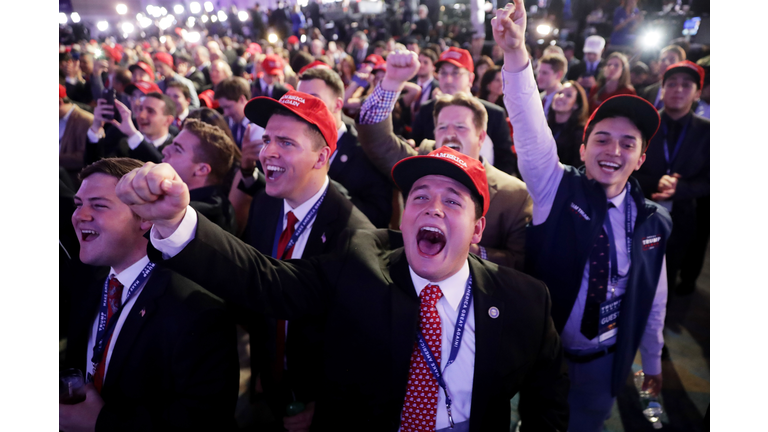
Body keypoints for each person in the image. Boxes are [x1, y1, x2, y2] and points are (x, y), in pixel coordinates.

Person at [116, 138, 569, 432]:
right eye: (420, 197)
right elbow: (266, 281)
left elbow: (547, 400)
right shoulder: (361, 261)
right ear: (404, 214)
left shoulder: (523, 301)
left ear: (477, 230)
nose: (433, 208)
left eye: (452, 201)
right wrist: (178, 221)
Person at [491, 2, 670, 431]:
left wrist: (653, 358)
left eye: (628, 144)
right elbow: (529, 126)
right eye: (602, 139)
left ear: (641, 158)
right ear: (584, 147)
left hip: (603, 363)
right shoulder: (556, 187)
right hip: (544, 357)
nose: (613, 150)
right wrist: (516, 55)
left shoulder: (652, 221)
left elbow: (653, 297)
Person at [60, 158, 239, 431]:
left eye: (98, 205)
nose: (80, 215)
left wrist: (101, 423)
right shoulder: (89, 282)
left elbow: (204, 423)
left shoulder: (197, 311)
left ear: (145, 217)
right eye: (78, 204)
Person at [357, 51, 533, 270]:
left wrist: (470, 250)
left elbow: (522, 262)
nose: (449, 134)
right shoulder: (420, 163)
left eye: (460, 127)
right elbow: (377, 141)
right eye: (442, 127)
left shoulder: (514, 195)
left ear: (480, 137)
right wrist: (392, 82)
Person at [633, 61, 709, 295]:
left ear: (697, 93)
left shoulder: (708, 131)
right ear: (662, 89)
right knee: (632, 270)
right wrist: (655, 183)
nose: (678, 90)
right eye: (672, 84)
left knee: (667, 274)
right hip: (638, 211)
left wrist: (681, 188)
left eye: (686, 85)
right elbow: (625, 169)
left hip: (683, 216)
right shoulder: (643, 124)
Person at [297, 68, 394, 228]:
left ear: (338, 104)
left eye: (314, 100)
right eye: (301, 100)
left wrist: (322, 186)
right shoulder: (294, 146)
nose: (304, 109)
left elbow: (379, 216)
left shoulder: (365, 151)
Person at [411, 47, 518, 177]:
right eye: (443, 73)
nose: (448, 79)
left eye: (456, 73)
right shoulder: (427, 110)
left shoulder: (494, 114)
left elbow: (505, 162)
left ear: (471, 79)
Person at [162, 118, 241, 234]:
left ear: (202, 169)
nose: (165, 150)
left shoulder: (197, 215)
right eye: (171, 144)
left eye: (177, 149)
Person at [86, 85, 177, 164]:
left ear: (168, 120)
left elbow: (160, 165)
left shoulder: (177, 148)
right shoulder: (123, 144)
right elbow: (96, 168)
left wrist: (133, 135)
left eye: (150, 111)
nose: (141, 115)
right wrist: (96, 128)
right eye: (140, 109)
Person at [547, 80, 589, 167]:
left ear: (576, 105)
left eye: (568, 95)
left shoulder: (579, 133)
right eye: (559, 93)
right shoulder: (545, 125)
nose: (561, 97)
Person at [60, 84, 94, 185]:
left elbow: (84, 158)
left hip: (72, 183)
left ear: (59, 102)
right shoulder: (60, 117)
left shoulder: (86, 120)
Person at [639, 44, 686, 110]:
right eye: (663, 60)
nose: (666, 63)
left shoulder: (686, 92)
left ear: (681, 63)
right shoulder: (648, 91)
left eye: (672, 59)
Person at [214, 76, 253, 148]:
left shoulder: (260, 126)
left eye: (228, 107)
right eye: (223, 108)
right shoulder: (226, 123)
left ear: (242, 99)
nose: (226, 113)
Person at [411, 48, 440, 115]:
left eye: (426, 62)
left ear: (433, 67)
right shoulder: (409, 85)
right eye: (419, 61)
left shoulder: (438, 87)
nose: (421, 65)